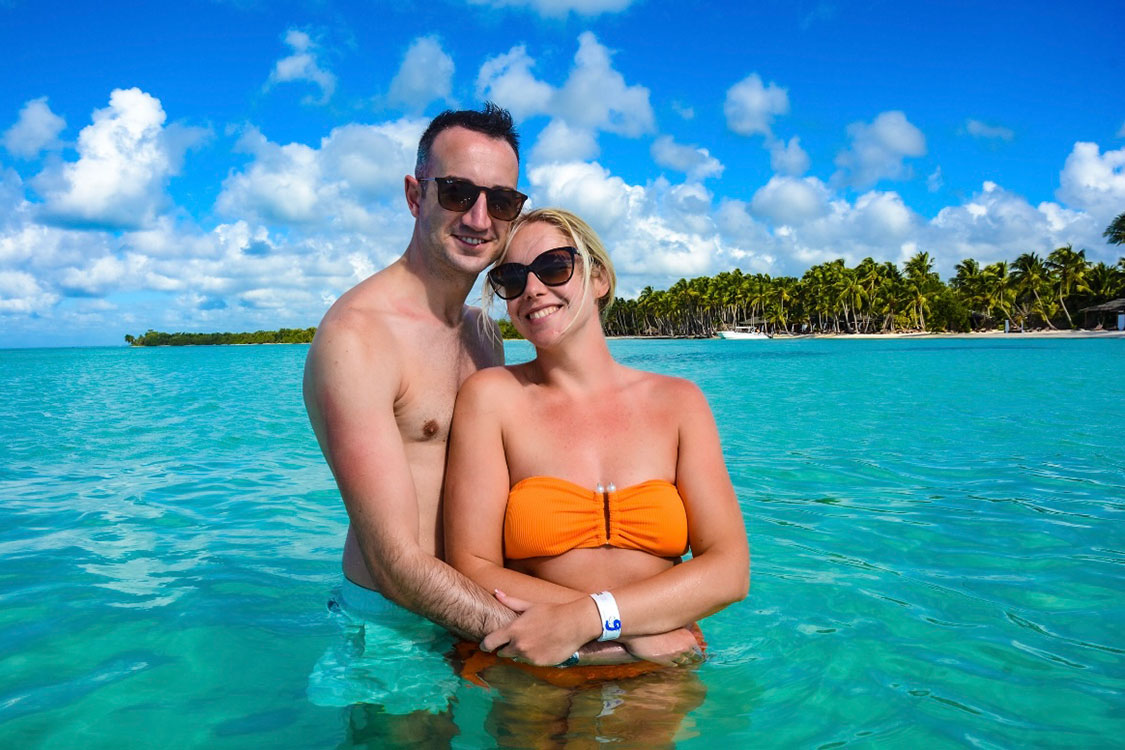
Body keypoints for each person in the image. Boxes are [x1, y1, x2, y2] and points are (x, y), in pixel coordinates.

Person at [444, 208, 750, 677]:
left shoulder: (679, 403)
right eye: (511, 278)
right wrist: (625, 626)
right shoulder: (491, 398)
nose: (533, 289)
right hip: (540, 665)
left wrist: (593, 618)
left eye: (553, 267)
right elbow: (472, 567)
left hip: (658, 671)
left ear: (600, 278)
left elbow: (730, 570)